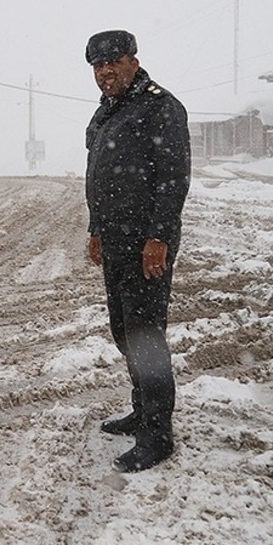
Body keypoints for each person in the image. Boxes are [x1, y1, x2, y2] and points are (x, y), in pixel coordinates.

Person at [84, 29, 191, 473]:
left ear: (134, 61)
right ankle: (142, 409)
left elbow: (173, 178)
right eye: (98, 66)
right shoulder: (107, 112)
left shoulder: (160, 107)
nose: (105, 72)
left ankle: (158, 435)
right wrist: (96, 229)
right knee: (125, 331)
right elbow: (97, 176)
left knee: (146, 336)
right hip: (114, 240)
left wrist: (159, 238)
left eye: (113, 63)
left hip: (146, 242)